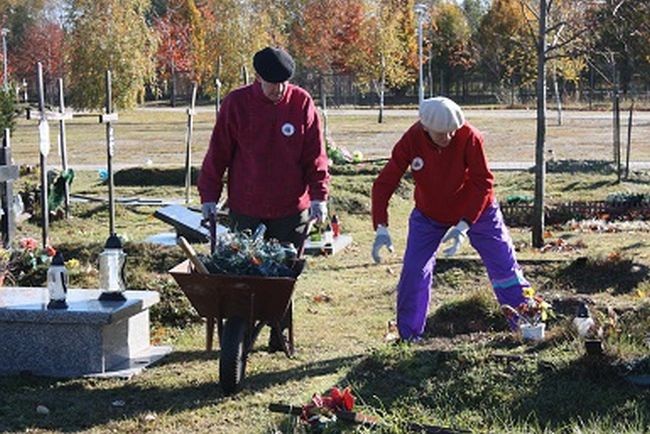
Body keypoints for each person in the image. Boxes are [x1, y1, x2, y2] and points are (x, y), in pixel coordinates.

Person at [198, 46, 330, 351]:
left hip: (290, 207)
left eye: (284, 82)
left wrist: (319, 196)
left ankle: (278, 335)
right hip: (247, 207)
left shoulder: (300, 102)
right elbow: (218, 154)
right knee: (245, 274)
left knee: (282, 277)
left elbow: (315, 154)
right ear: (257, 78)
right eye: (272, 83)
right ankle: (242, 333)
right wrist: (209, 195)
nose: (279, 89)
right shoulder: (237, 104)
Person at [371, 96, 530, 341]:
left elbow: (482, 183)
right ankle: (410, 337)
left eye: (452, 132)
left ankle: (526, 323)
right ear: (425, 127)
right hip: (429, 215)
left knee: (504, 265)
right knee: (414, 272)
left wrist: (465, 224)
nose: (448, 138)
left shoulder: (470, 137)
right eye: (441, 133)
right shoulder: (411, 139)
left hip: (478, 212)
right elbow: (384, 183)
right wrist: (381, 226)